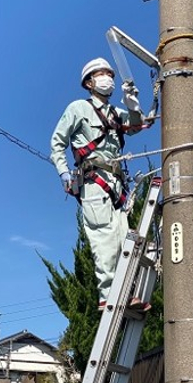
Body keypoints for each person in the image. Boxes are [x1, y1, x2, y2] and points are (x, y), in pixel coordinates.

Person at [50, 57, 148, 311]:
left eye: (110, 75)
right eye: (102, 74)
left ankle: (125, 291)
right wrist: (64, 174)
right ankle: (108, 294)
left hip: (117, 184)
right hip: (94, 181)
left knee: (124, 238)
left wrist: (133, 105)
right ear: (89, 82)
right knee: (104, 237)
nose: (108, 79)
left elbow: (139, 125)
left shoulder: (117, 113)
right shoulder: (78, 108)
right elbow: (57, 143)